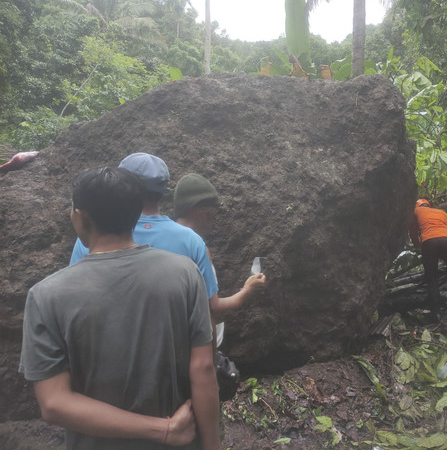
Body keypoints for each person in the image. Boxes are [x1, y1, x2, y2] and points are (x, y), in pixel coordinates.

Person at [20, 167, 220, 449]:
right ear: (136, 213)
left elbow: (54, 403)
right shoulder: (184, 273)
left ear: (80, 216)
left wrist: (163, 430)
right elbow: (203, 367)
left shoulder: (45, 295)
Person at [69, 153, 221, 341]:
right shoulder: (191, 241)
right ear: (163, 190)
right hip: (173, 356)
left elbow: (73, 302)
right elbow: (208, 312)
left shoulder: (94, 237)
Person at [173, 173, 265, 348]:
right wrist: (248, 290)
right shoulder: (196, 246)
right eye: (210, 213)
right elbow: (213, 309)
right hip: (197, 348)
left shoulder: (162, 240)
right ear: (196, 209)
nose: (213, 220)